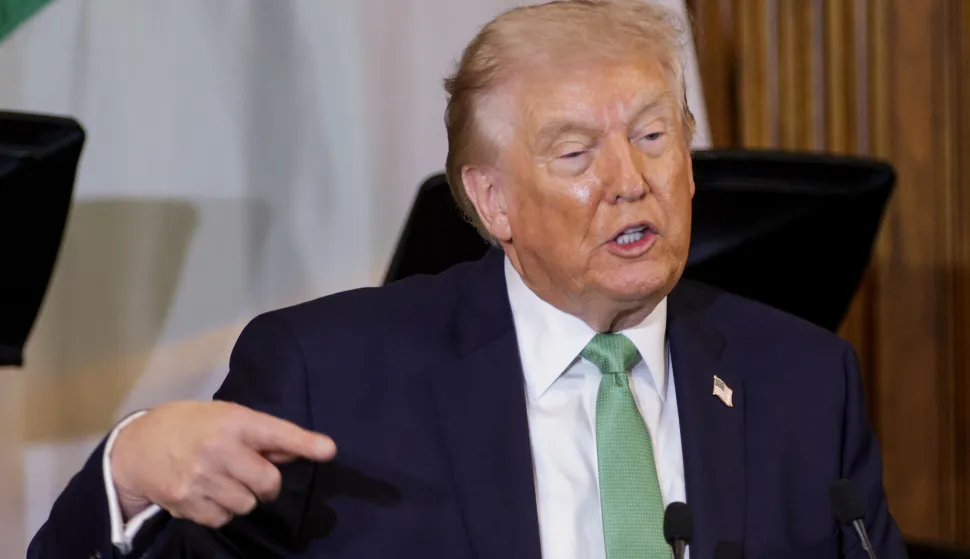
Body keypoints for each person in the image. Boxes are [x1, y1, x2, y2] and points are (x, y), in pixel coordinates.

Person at [29, 1, 906, 558]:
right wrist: (131, 469)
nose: (629, 179)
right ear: (493, 202)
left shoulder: (801, 379)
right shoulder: (329, 376)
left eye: (652, 136)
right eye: (575, 152)